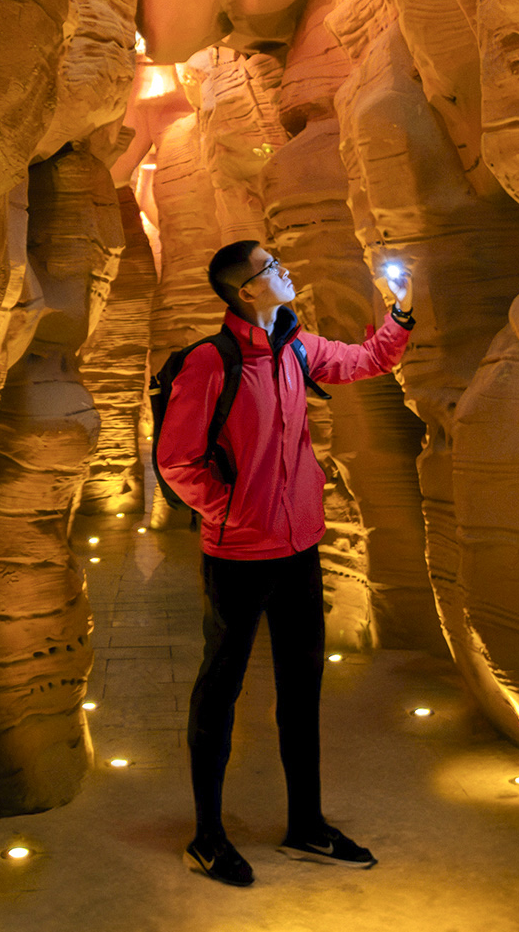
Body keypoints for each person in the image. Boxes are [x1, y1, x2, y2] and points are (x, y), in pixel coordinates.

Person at [157, 238, 416, 886]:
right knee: (221, 693)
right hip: (239, 556)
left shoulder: (296, 346)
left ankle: (307, 824)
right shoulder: (210, 363)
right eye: (271, 267)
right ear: (246, 290)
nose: (285, 270)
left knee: (302, 693)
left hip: (300, 548)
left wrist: (402, 315)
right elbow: (176, 459)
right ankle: (207, 837)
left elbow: (366, 360)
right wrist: (231, 513)